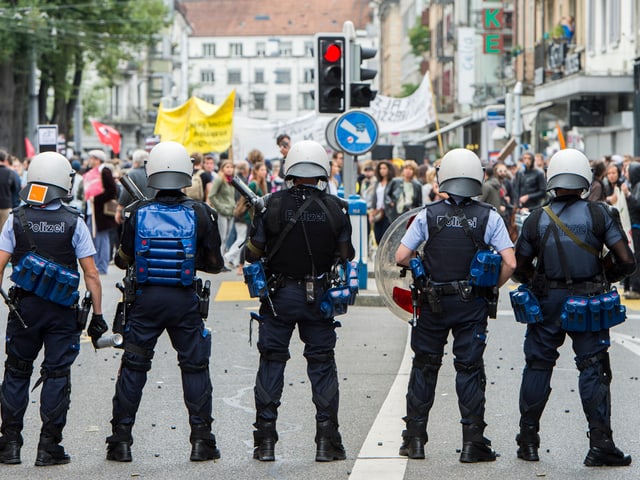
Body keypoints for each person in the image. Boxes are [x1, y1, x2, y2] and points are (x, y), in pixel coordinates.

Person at [512, 148, 635, 467]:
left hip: (546, 302)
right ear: (585, 178)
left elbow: (519, 268)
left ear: (551, 178)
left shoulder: (537, 217)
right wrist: (601, 276)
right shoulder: (600, 214)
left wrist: (539, 279)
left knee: (538, 365)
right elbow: (627, 261)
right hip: (589, 301)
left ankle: (528, 442)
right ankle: (600, 445)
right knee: (594, 368)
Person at [394, 148, 516, 463]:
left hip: (432, 304)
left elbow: (400, 257)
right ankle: (473, 442)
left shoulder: (428, 214)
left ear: (443, 177)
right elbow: (510, 263)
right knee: (470, 370)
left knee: (424, 368)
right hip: (472, 304)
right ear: (478, 177)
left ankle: (415, 440)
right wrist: (490, 287)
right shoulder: (490, 215)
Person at [106, 141, 224, 462]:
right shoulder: (201, 213)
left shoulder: (138, 213)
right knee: (195, 367)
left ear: (152, 173)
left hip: (145, 301)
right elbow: (215, 264)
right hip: (184, 301)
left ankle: (120, 441)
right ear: (187, 172)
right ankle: (202, 440)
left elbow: (121, 260)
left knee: (133, 368)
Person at [244, 140, 355, 462]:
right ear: (321, 170)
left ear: (289, 169)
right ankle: (326, 442)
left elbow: (253, 253)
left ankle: (264, 442)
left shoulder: (269, 205)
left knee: (271, 364)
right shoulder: (337, 207)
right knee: (322, 367)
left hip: (278, 298)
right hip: (319, 297)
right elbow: (347, 254)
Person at [0, 151, 105, 466]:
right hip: (61, 312)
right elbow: (91, 274)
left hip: (24, 310)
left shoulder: (15, 218)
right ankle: (49, 447)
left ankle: (9, 445)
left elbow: (1, 264)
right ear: (63, 181)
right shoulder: (74, 221)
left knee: (17, 372)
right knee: (57, 375)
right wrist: (98, 317)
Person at [82, 150, 118, 274]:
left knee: (101, 239)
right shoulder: (93, 172)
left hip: (100, 213)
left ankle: (101, 266)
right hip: (93, 211)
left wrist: (96, 199)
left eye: (91, 158)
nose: (89, 161)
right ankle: (96, 264)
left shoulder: (104, 171)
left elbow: (111, 191)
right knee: (94, 239)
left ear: (97, 160)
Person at [115, 149, 155, 223]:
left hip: (137, 213)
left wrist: (119, 210)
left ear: (136, 162)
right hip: (154, 212)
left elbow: (125, 194)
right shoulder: (153, 173)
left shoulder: (132, 174)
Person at [208, 159, 236, 252]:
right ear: (222, 168)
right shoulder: (219, 179)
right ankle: (219, 260)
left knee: (228, 238)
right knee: (222, 236)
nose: (229, 169)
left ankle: (223, 258)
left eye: (231, 167)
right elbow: (211, 195)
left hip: (231, 212)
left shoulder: (232, 180)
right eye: (227, 167)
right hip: (222, 212)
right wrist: (220, 207)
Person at [0, 150, 21, 229]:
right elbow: (16, 190)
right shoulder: (10, 173)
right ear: (5, 160)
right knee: (5, 232)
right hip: (7, 206)